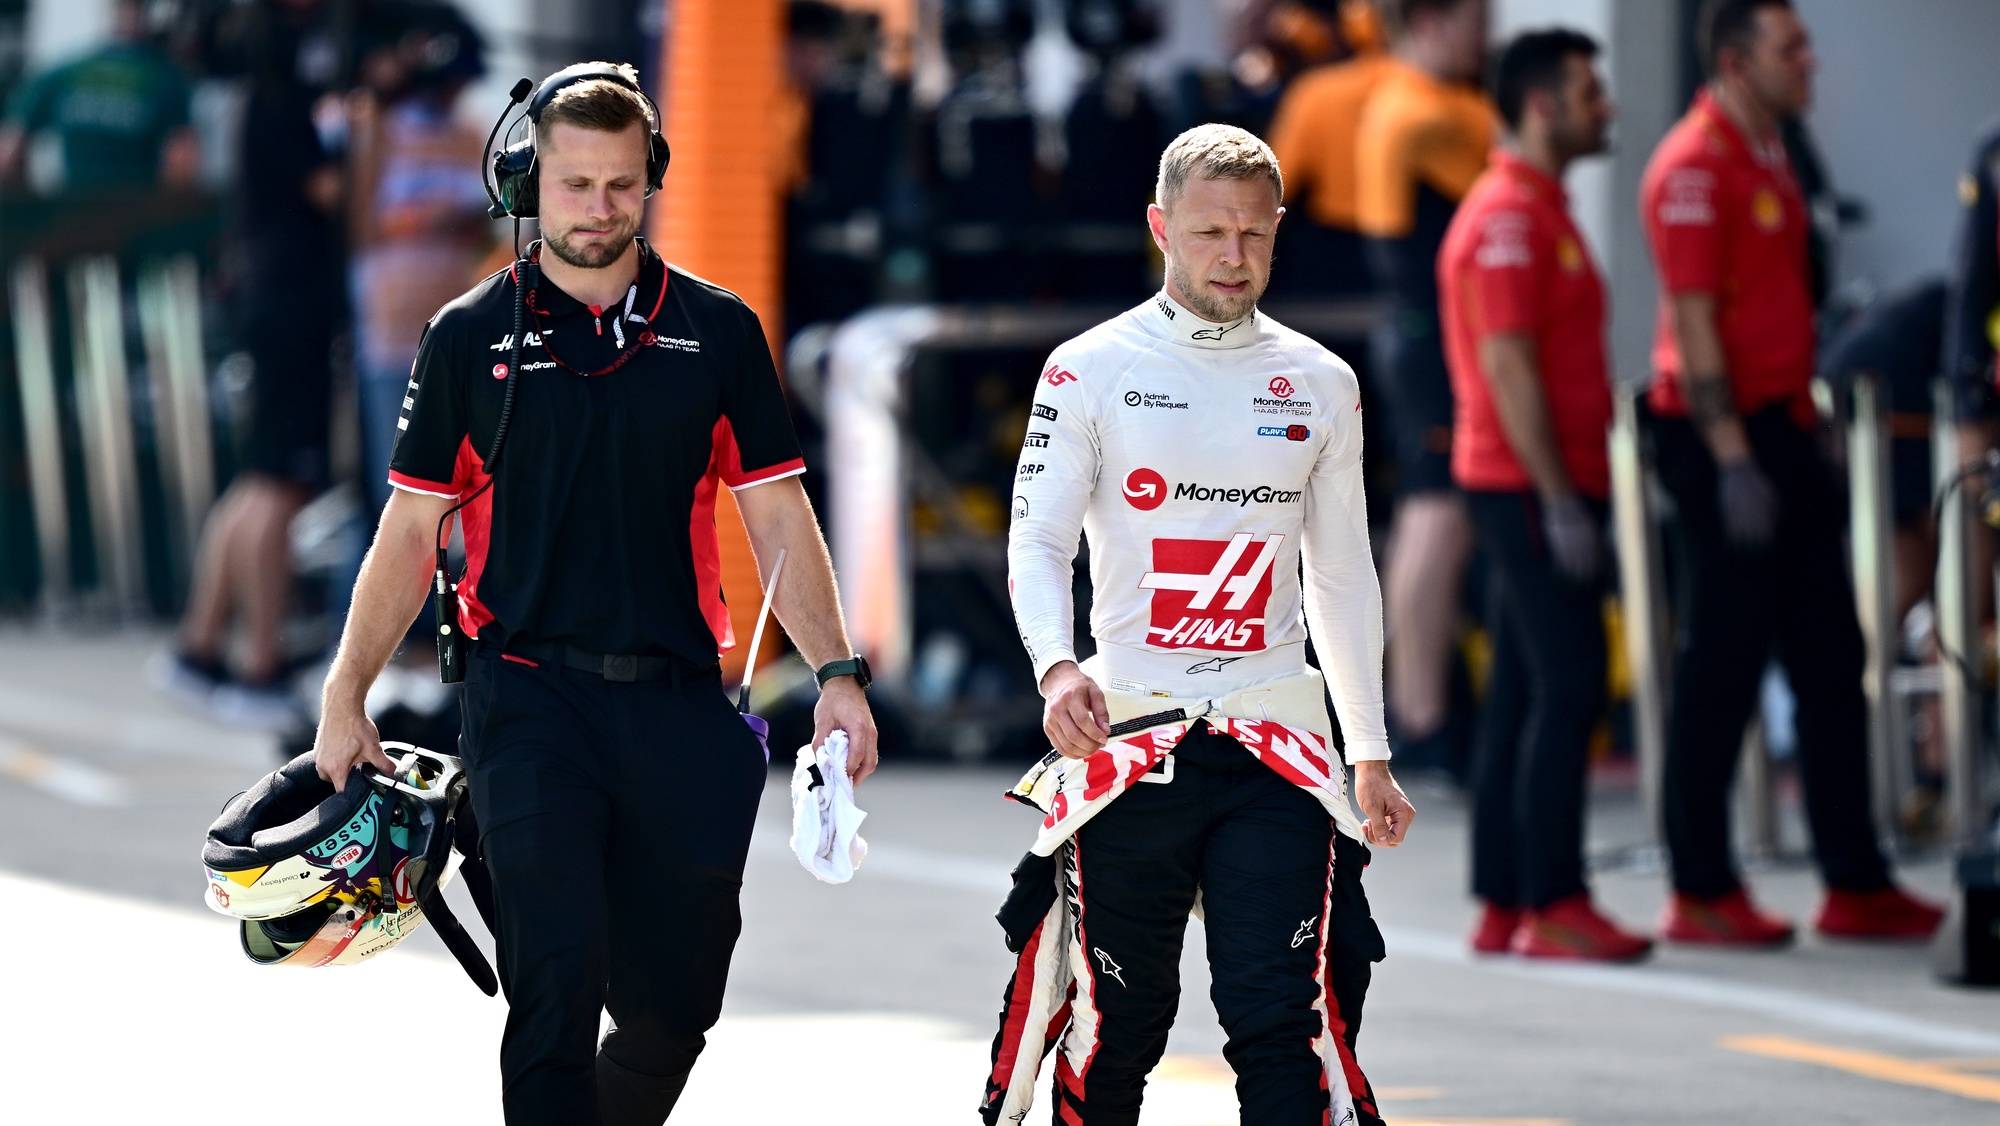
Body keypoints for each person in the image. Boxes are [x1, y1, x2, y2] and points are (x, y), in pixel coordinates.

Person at [308, 63, 880, 1124]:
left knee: (672, 1012)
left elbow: (778, 515)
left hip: (676, 700)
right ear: (531, 183)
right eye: (576, 185)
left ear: (649, 179)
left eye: (621, 184)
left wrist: (838, 674)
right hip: (525, 699)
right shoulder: (467, 334)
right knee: (553, 989)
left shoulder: (716, 331)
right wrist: (346, 693)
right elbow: (407, 529)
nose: (600, 209)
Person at [983, 123, 1414, 1126]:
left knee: (1279, 1018)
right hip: (1128, 740)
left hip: (1273, 746)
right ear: (1158, 228)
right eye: (1209, 231)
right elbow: (1036, 542)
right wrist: (1055, 669)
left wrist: (1369, 750)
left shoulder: (1321, 380)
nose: (1232, 256)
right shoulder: (1084, 367)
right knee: (1117, 1025)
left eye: (1253, 235)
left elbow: (1340, 576)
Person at [1639, 0, 1940, 946]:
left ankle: (1855, 877)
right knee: (1721, 662)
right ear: (1736, 60)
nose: (1810, 61)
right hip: (1718, 439)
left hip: (1784, 424)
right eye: (1792, 47)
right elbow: (1692, 323)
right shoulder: (1693, 163)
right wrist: (1732, 462)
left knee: (1829, 653)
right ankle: (1699, 886)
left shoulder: (1775, 150)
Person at [1439, 28, 1647, 961]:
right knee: (1570, 684)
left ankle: (1505, 901)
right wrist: (1560, 498)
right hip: (1529, 483)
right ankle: (1555, 899)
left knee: (1527, 687)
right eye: (1589, 93)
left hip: (1531, 480)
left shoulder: (1534, 208)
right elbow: (1509, 365)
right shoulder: (1512, 217)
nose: (1606, 107)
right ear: (1541, 106)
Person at [152, 0, 347, 728]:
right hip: (287, 305)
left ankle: (201, 645)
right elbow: (332, 193)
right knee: (281, 483)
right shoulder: (280, 101)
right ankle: (257, 660)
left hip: (271, 302)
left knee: (259, 479)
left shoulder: (260, 99)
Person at [1353, 0, 1494, 780]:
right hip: (1428, 334)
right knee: (1436, 513)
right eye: (1474, 18)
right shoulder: (1426, 111)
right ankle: (1422, 713)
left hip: (1420, 329)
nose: (1486, 35)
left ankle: (1419, 707)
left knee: (1431, 514)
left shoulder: (1412, 100)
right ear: (1432, 20)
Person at [0, 0, 198, 193]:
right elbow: (182, 164)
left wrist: (27, 213)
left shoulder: (65, 72)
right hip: (137, 215)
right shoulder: (166, 78)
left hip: (71, 213)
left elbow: (9, 152)